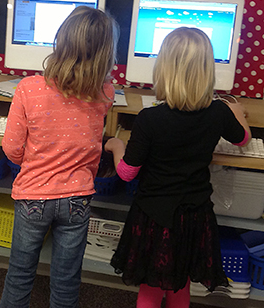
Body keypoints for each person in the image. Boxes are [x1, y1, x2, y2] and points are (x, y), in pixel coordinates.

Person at [104, 27, 251, 308]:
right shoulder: (218, 112)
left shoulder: (150, 118)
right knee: (179, 283)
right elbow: (243, 139)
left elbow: (126, 173)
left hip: (154, 218)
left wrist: (115, 146)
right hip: (194, 216)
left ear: (163, 69)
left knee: (150, 286)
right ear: (207, 70)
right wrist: (238, 113)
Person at [0, 6, 118, 308]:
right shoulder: (105, 92)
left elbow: (12, 149)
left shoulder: (28, 88)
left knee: (20, 273)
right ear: (106, 53)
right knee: (66, 279)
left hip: (33, 196)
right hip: (78, 197)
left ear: (60, 40)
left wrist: (36, 160)